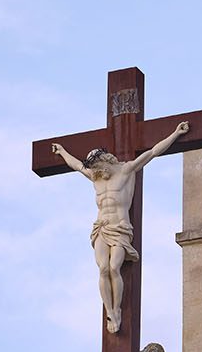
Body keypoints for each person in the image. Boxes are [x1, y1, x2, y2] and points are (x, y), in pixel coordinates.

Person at [50, 121, 190, 333]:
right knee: (103, 268)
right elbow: (76, 165)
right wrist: (61, 152)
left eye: (97, 167)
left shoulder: (125, 171)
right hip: (101, 228)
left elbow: (152, 153)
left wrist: (175, 134)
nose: (94, 171)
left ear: (106, 161)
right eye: (93, 169)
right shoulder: (95, 177)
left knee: (115, 267)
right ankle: (110, 311)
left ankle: (117, 308)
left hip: (120, 227)